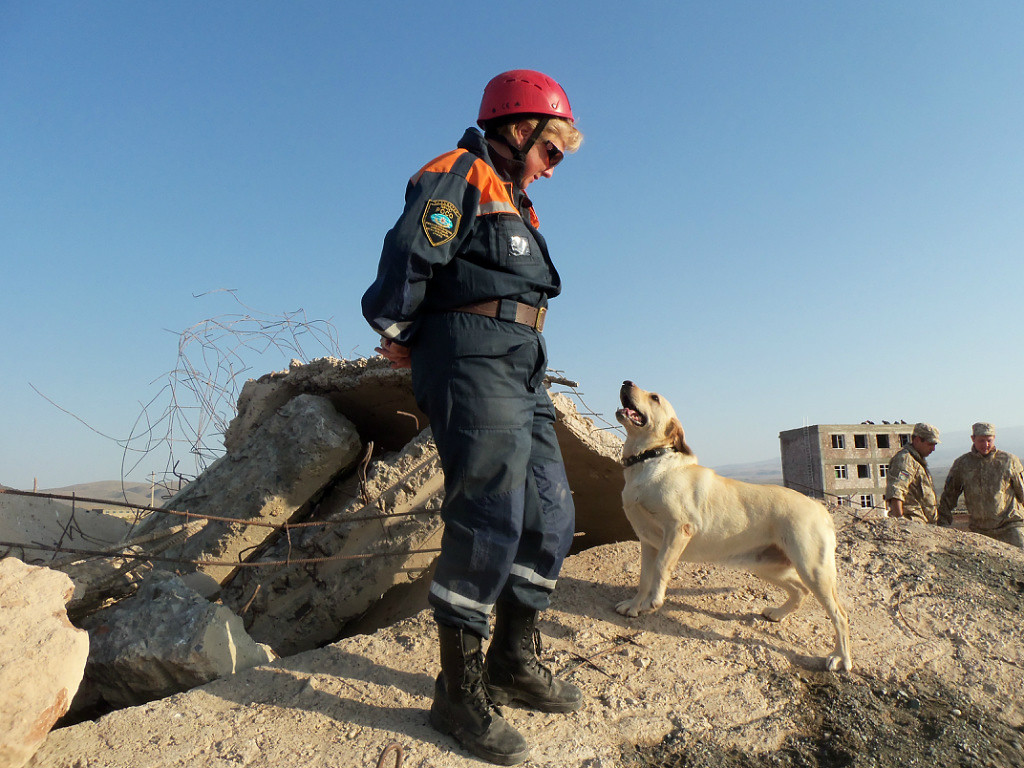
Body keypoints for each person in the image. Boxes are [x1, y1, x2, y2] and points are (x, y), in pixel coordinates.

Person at [361, 69, 583, 765]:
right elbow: (411, 253)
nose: (552, 170)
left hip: (522, 361)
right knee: (487, 518)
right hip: (470, 357)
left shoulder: (515, 198)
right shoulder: (458, 173)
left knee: (550, 514)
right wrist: (399, 333)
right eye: (551, 152)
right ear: (520, 129)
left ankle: (513, 663)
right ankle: (457, 696)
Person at [937, 422, 1024, 548]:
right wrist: (942, 522)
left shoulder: (1008, 461)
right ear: (973, 439)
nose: (986, 445)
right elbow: (949, 495)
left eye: (989, 440)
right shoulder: (962, 464)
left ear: (994, 438)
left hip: (1009, 527)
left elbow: (1022, 492)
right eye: (981, 440)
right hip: (980, 531)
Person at [884, 423, 940, 523]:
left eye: (935, 445)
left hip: (924, 524)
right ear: (917, 440)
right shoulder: (905, 460)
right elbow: (896, 491)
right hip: (912, 523)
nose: (933, 449)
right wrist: (900, 522)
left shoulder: (917, 462)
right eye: (930, 444)